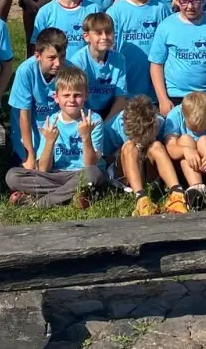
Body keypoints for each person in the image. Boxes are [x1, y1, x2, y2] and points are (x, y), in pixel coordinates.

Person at [7, 64, 107, 209]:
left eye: (77, 95)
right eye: (66, 95)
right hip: (54, 175)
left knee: (94, 173)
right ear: (56, 98)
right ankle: (72, 195)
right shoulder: (52, 121)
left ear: (86, 96)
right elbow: (43, 170)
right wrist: (49, 142)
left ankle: (39, 203)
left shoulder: (93, 120)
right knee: (12, 176)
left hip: (80, 174)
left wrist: (86, 137)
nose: (72, 100)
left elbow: (89, 165)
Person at [105, 95, 188, 215]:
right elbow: (105, 157)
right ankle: (141, 198)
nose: (142, 141)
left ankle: (177, 194)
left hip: (151, 170)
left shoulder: (161, 122)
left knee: (156, 145)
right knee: (129, 146)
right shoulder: (115, 126)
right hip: (127, 169)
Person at [109, 0, 168, 102]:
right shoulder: (115, 12)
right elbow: (110, 50)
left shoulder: (160, 7)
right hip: (126, 88)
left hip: (156, 89)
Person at [10, 29, 66, 164]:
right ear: (38, 56)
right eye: (51, 58)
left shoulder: (68, 70)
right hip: (30, 128)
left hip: (57, 128)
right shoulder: (25, 71)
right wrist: (29, 154)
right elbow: (24, 116)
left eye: (62, 56)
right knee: (29, 166)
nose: (58, 63)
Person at [67, 12, 127, 118]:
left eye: (108, 32)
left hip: (110, 111)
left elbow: (120, 98)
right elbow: (75, 99)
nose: (104, 37)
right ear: (86, 36)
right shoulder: (78, 62)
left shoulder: (119, 59)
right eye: (99, 33)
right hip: (84, 112)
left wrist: (106, 124)